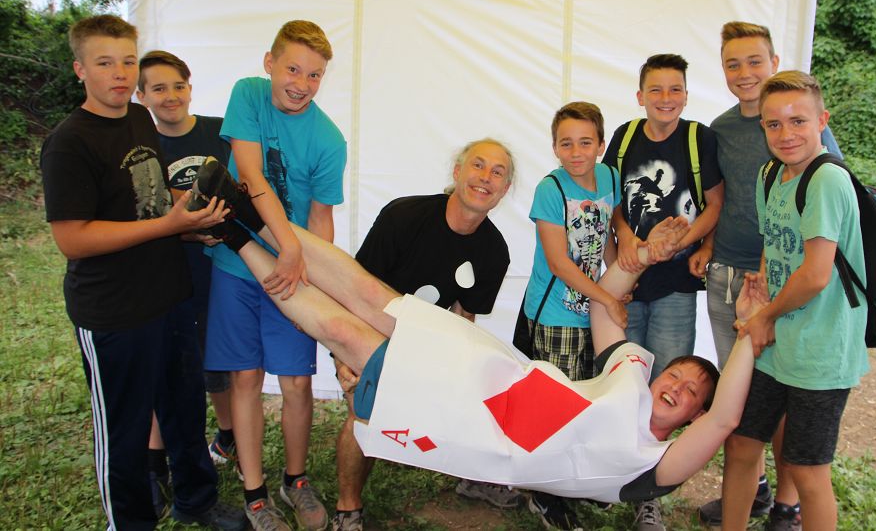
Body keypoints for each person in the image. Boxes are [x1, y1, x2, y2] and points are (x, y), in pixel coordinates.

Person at [190, 157, 761, 511]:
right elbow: (606, 311)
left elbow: (724, 420)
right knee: (365, 292)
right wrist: (640, 259)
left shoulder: (653, 466)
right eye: (678, 375)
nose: (677, 386)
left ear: (693, 417)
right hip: (482, 367)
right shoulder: (631, 378)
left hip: (464, 418)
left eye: (691, 392)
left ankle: (234, 234)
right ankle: (247, 212)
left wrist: (749, 335)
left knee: (341, 328)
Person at [39, 15, 244, 531]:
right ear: (80, 69)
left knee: (183, 408)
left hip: (169, 295)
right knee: (125, 430)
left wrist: (192, 213)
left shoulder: (137, 118)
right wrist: (169, 225)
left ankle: (196, 500)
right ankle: (130, 523)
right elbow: (72, 238)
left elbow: (147, 196)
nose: (120, 73)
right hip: (113, 311)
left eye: (128, 61)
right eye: (105, 62)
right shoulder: (69, 142)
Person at [689, 22, 843, 530]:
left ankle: (787, 504)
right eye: (733, 63)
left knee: (789, 412)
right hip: (737, 276)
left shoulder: (812, 144)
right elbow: (723, 199)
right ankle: (753, 491)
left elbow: (826, 231)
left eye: (754, 61)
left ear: (774, 63)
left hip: (794, 291)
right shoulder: (721, 129)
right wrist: (709, 247)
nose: (744, 72)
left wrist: (770, 307)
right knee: (744, 398)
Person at [332, 139, 518, 531]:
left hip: (424, 341)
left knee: (481, 385)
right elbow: (352, 288)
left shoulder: (494, 251)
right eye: (478, 165)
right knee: (363, 414)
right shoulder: (405, 217)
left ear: (504, 189)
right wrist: (342, 357)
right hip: (370, 331)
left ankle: (471, 475)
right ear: (457, 171)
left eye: (497, 172)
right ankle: (348, 509)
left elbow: (464, 317)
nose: (485, 177)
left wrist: (463, 375)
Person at [204, 20, 346, 531]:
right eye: (293, 69)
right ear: (270, 63)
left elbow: (321, 218)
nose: (301, 83)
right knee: (245, 377)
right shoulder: (248, 95)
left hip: (292, 277)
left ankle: (296, 480)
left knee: (296, 382)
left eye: (315, 75)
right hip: (238, 263)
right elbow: (249, 174)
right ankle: (255, 494)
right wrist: (287, 247)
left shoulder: (329, 139)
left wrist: (316, 279)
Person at [720, 71, 869, 531]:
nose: (786, 134)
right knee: (742, 444)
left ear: (822, 121)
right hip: (777, 338)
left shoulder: (827, 180)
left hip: (820, 349)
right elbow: (773, 242)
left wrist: (765, 316)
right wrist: (761, 291)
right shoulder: (770, 174)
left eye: (798, 121)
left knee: (807, 470)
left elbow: (816, 275)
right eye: (774, 124)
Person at [519, 101, 627, 529]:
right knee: (556, 404)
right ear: (554, 147)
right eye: (566, 143)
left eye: (585, 142)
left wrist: (618, 282)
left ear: (601, 144)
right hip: (555, 313)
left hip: (592, 307)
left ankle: (571, 479)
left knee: (586, 397)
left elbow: (609, 235)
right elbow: (560, 263)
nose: (576, 152)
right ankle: (544, 492)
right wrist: (607, 298)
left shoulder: (610, 177)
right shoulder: (551, 189)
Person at [136, 50, 237, 480]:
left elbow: (242, 192)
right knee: (168, 365)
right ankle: (156, 458)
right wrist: (190, 230)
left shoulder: (221, 132)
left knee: (219, 362)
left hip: (220, 269)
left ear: (191, 89)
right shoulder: (141, 147)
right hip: (167, 273)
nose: (171, 96)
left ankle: (229, 436)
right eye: (159, 88)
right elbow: (142, 216)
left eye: (178, 86)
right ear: (142, 97)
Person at [604, 53, 723, 377]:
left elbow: (715, 204)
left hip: (677, 280)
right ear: (640, 96)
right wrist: (625, 236)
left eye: (675, 90)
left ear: (686, 96)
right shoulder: (625, 136)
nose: (666, 98)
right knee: (625, 374)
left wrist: (681, 243)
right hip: (629, 275)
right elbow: (610, 199)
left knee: (668, 374)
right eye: (656, 90)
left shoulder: (699, 139)